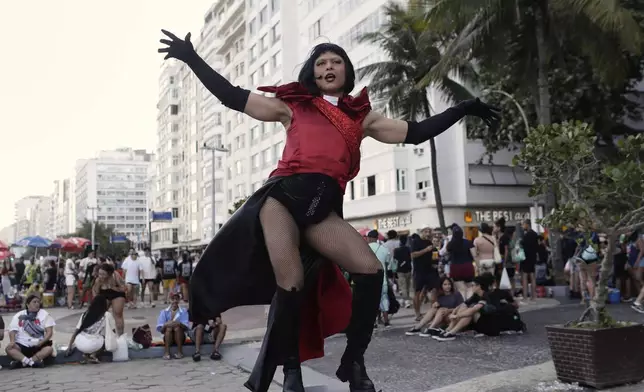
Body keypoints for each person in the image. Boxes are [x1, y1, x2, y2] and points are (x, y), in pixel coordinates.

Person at [158, 29, 500, 392]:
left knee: (371, 270)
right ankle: (291, 371)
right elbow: (232, 97)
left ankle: (354, 362)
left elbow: (414, 132)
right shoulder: (292, 105)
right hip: (282, 200)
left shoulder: (362, 117)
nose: (329, 67)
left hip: (322, 211)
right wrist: (191, 58)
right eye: (321, 62)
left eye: (336, 61)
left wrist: (462, 108)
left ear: (346, 71)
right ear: (313, 72)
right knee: (290, 284)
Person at [5, 295, 56, 369]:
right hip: (22, 344)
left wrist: (41, 343)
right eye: (34, 302)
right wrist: (12, 341)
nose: (37, 304)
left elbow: (49, 332)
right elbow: (12, 330)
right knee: (9, 348)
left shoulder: (45, 314)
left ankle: (23, 362)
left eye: (38, 302)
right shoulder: (19, 315)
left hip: (38, 344)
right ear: (28, 304)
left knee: (49, 349)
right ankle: (32, 363)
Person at [65, 295, 115, 364]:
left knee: (94, 339)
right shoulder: (107, 315)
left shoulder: (85, 314)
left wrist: (69, 347)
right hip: (92, 344)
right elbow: (113, 331)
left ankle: (86, 354)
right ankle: (93, 355)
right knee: (104, 339)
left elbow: (76, 331)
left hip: (79, 343)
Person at [92, 263, 127, 335]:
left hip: (117, 293)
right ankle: (100, 334)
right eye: (99, 273)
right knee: (99, 314)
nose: (101, 276)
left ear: (109, 274)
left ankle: (121, 336)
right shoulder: (98, 280)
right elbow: (96, 292)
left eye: (103, 274)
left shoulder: (115, 275)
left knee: (118, 314)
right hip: (104, 293)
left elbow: (124, 289)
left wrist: (114, 287)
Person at [156, 293, 189, 360]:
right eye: (172, 299)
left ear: (179, 300)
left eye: (176, 299)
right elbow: (161, 331)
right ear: (170, 300)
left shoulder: (183, 311)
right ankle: (167, 352)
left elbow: (186, 328)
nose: (175, 301)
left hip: (180, 337)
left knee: (177, 328)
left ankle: (180, 352)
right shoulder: (164, 312)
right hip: (168, 338)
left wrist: (179, 323)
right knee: (168, 328)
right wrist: (166, 325)